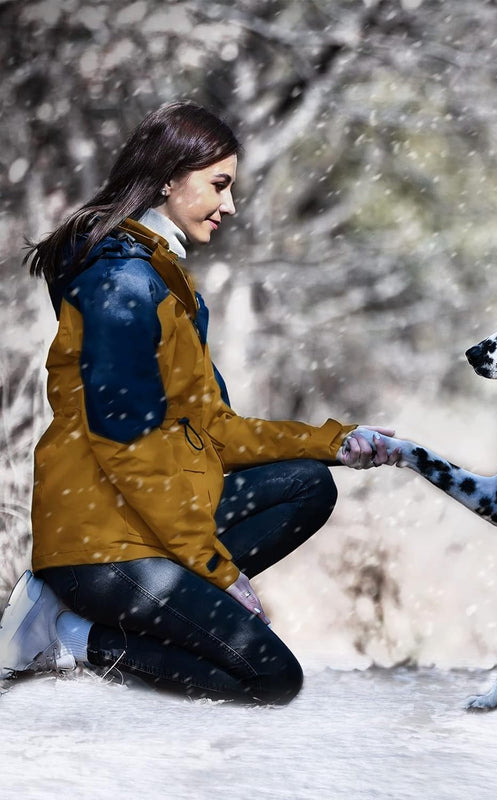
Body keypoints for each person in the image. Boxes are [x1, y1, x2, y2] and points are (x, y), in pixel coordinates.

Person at [0, 101, 397, 704]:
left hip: (139, 525)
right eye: (219, 184)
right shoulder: (121, 284)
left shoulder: (162, 282)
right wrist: (215, 568)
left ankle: (114, 612)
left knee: (308, 483)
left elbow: (211, 429)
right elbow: (128, 445)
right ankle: (72, 635)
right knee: (270, 677)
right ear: (167, 178)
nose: (229, 205)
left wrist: (333, 442)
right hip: (101, 543)